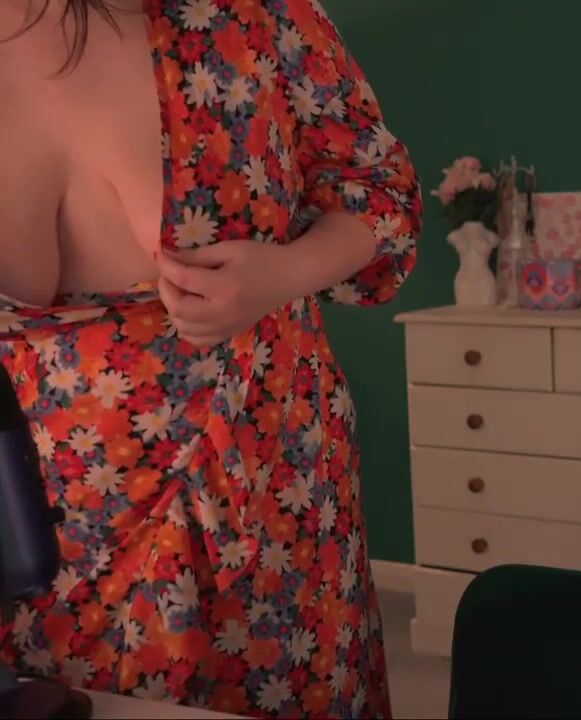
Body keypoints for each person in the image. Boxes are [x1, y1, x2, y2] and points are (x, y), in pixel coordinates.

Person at [0, 0, 421, 717]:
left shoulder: (247, 14)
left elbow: (381, 192)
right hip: (32, 533)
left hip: (256, 504)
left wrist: (284, 273)